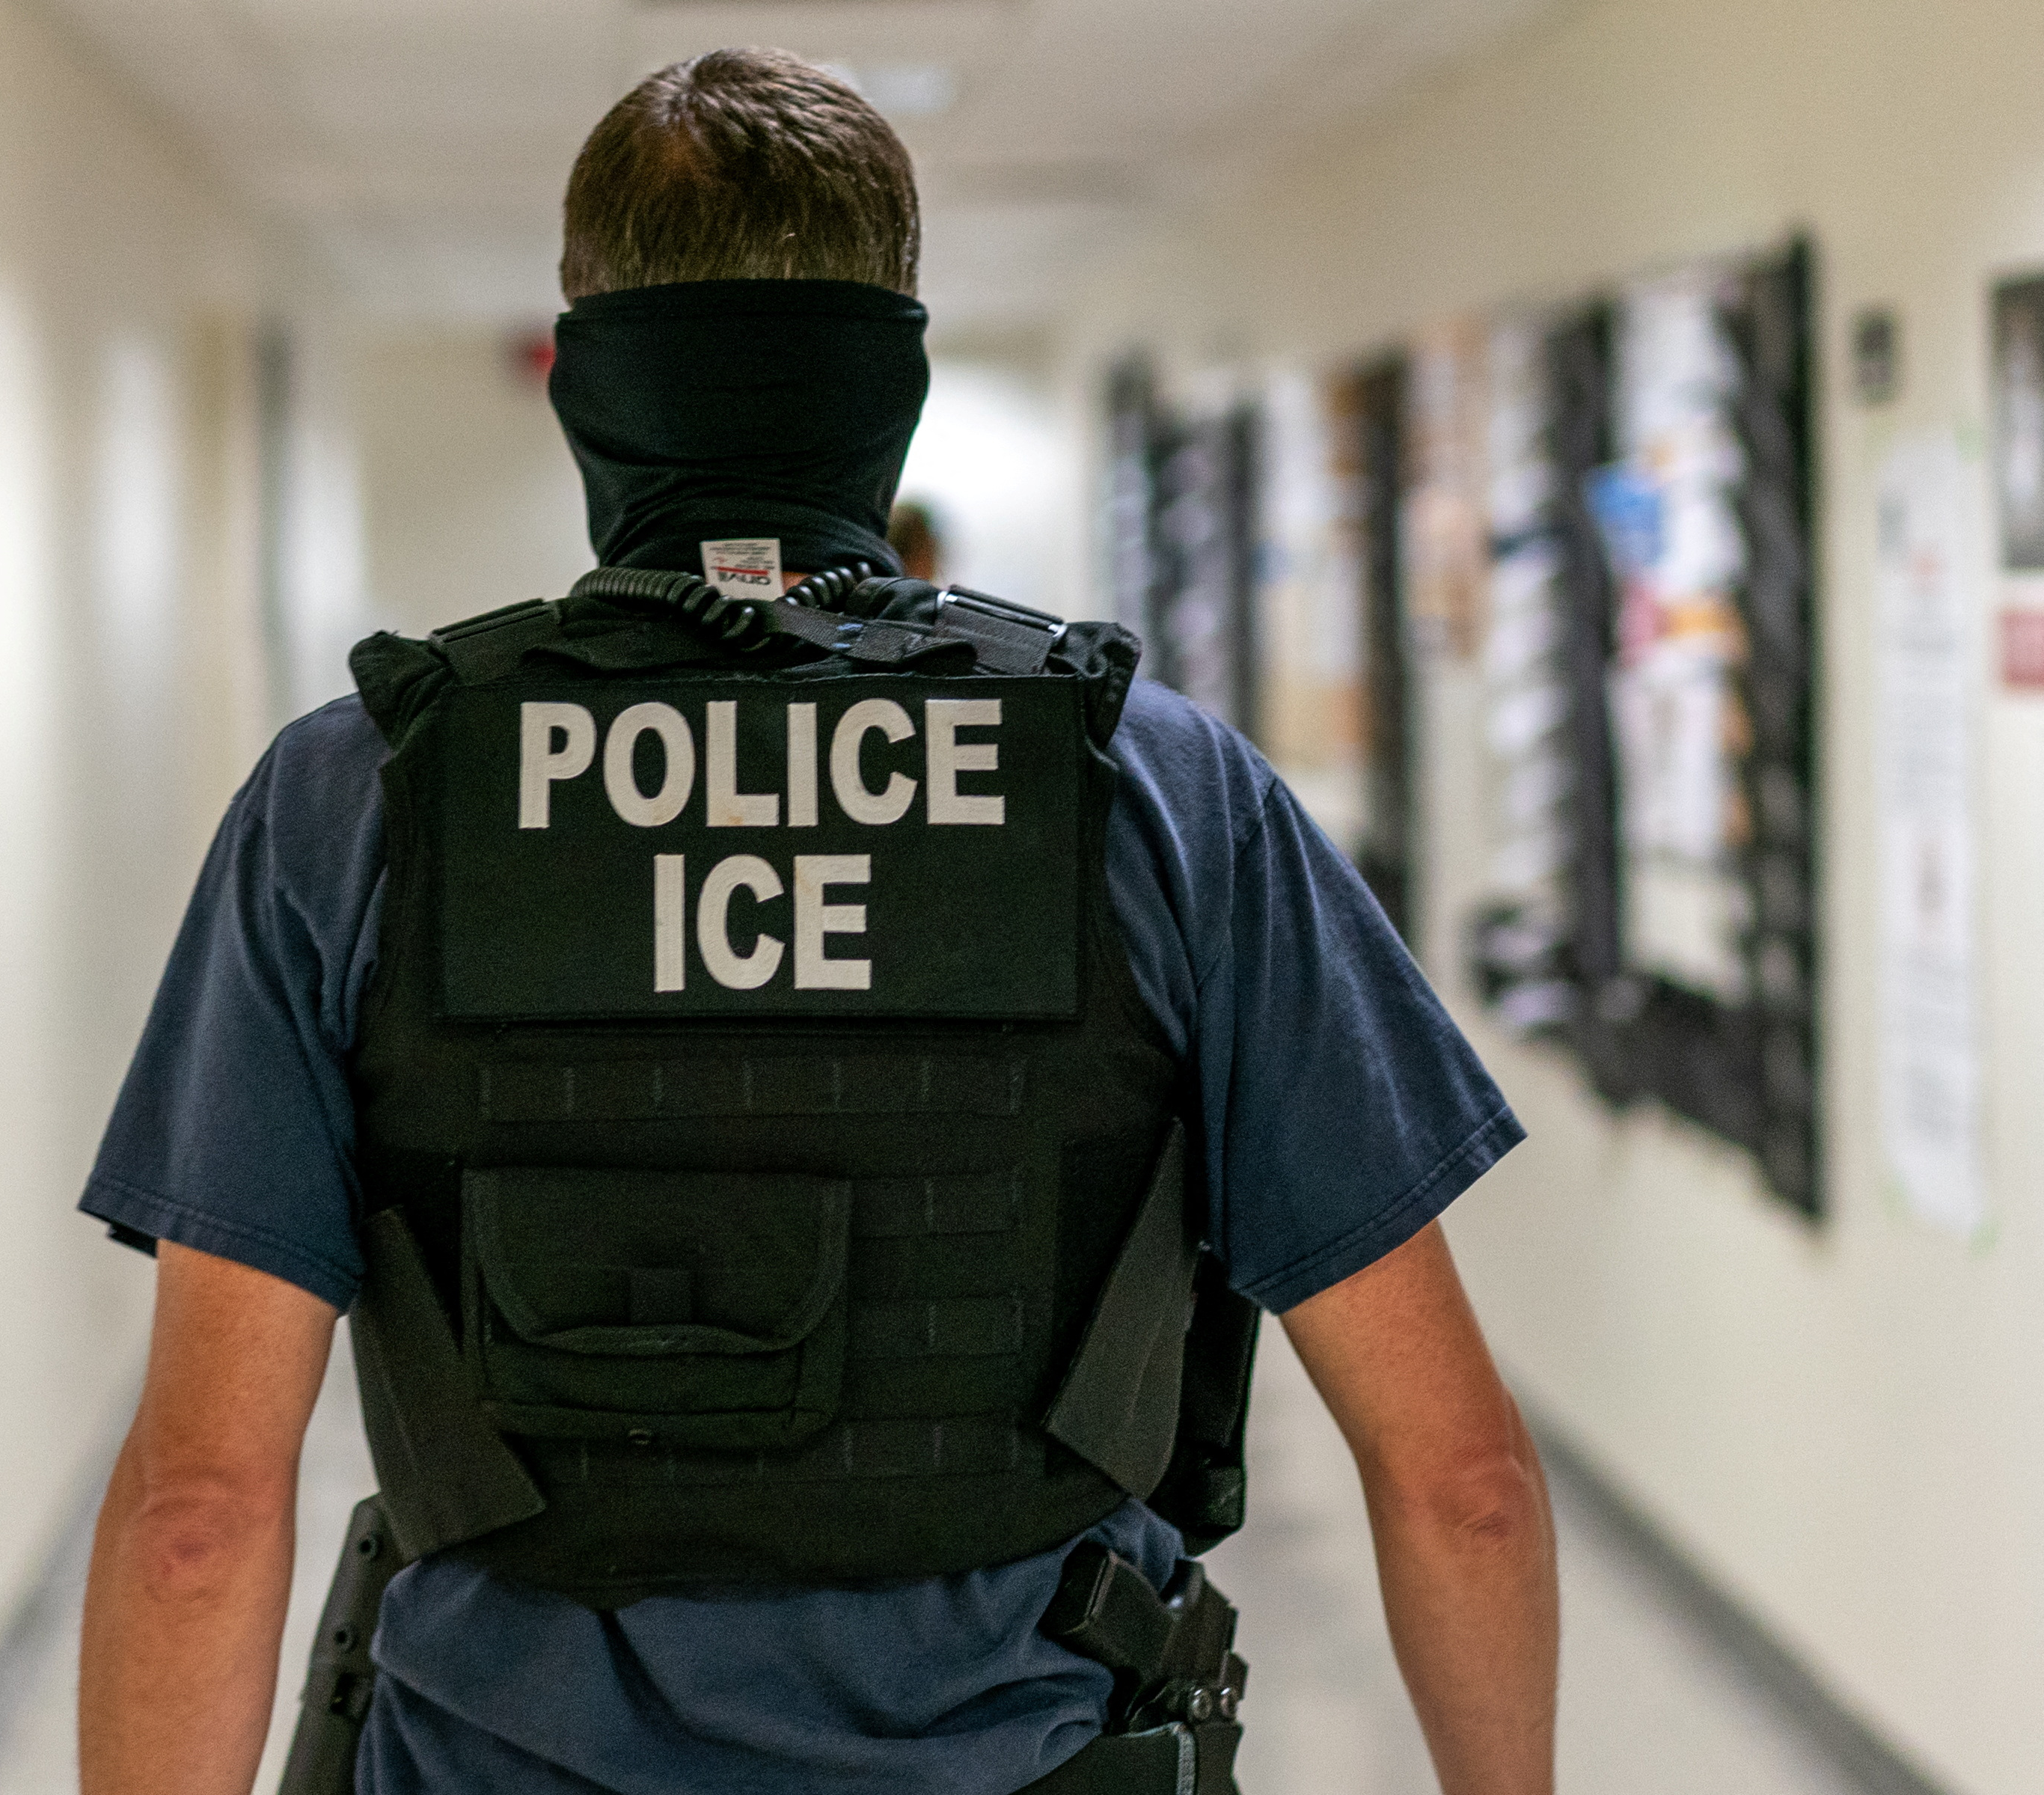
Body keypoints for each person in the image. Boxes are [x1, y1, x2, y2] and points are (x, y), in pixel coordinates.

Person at [76, 46, 1558, 1795]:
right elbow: (1456, 1480)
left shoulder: (351, 801)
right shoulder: (1155, 791)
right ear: (896, 386)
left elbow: (198, 1512)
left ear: (577, 377)